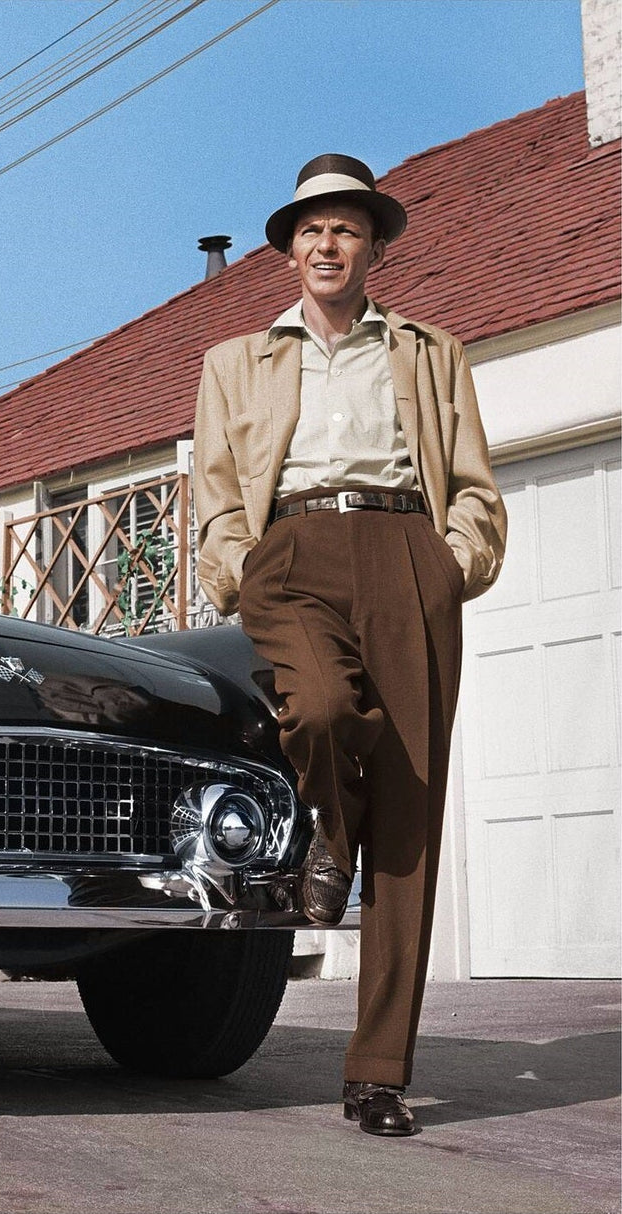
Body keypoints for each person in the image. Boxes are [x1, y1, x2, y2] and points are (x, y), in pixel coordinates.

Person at [192, 153, 507, 1137]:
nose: (326, 244)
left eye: (345, 228)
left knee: (409, 811)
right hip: (290, 547)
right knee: (320, 706)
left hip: (406, 549)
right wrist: (240, 568)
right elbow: (210, 490)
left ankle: (376, 1068)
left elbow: (471, 482)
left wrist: (451, 562)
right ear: (286, 249)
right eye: (310, 229)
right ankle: (326, 834)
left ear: (371, 245)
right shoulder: (234, 361)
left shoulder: (426, 351)